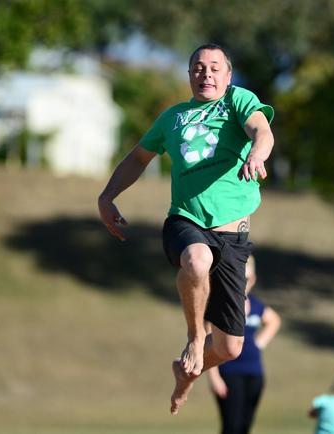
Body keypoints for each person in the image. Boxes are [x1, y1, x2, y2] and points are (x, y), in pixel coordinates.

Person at [97, 43, 275, 415]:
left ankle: (187, 373)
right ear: (189, 74)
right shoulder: (172, 118)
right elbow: (138, 157)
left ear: (227, 76)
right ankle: (195, 339)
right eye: (197, 67)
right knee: (195, 260)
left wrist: (257, 153)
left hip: (233, 237)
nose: (205, 74)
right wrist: (108, 196)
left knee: (230, 349)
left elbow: (262, 130)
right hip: (185, 222)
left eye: (214, 68)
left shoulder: (238, 101)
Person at [207, 255, 281, 434]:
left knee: (244, 427)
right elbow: (207, 339)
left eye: (247, 278)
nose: (243, 282)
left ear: (253, 279)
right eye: (239, 277)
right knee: (231, 427)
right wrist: (214, 377)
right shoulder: (221, 303)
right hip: (229, 373)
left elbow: (274, 320)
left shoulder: (255, 304)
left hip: (254, 373)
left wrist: (258, 344)